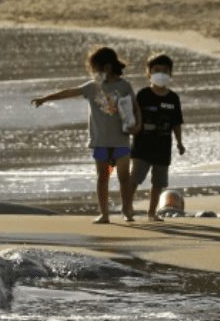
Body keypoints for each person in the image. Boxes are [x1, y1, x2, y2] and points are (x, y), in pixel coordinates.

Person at [32, 46, 139, 223]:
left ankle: (126, 209)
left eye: (94, 67)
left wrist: (138, 125)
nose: (92, 72)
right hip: (100, 142)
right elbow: (68, 92)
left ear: (108, 67)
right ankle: (104, 214)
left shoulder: (124, 86)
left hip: (121, 140)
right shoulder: (92, 87)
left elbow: (135, 107)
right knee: (102, 177)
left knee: (123, 178)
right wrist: (45, 99)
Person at [127, 53, 186, 221]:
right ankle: (128, 207)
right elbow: (132, 116)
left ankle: (151, 212)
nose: (161, 73)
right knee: (135, 179)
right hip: (141, 146)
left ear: (171, 74)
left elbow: (177, 122)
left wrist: (180, 143)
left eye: (165, 70)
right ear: (148, 73)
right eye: (157, 70)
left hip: (163, 147)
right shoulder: (143, 94)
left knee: (158, 183)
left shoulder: (173, 98)